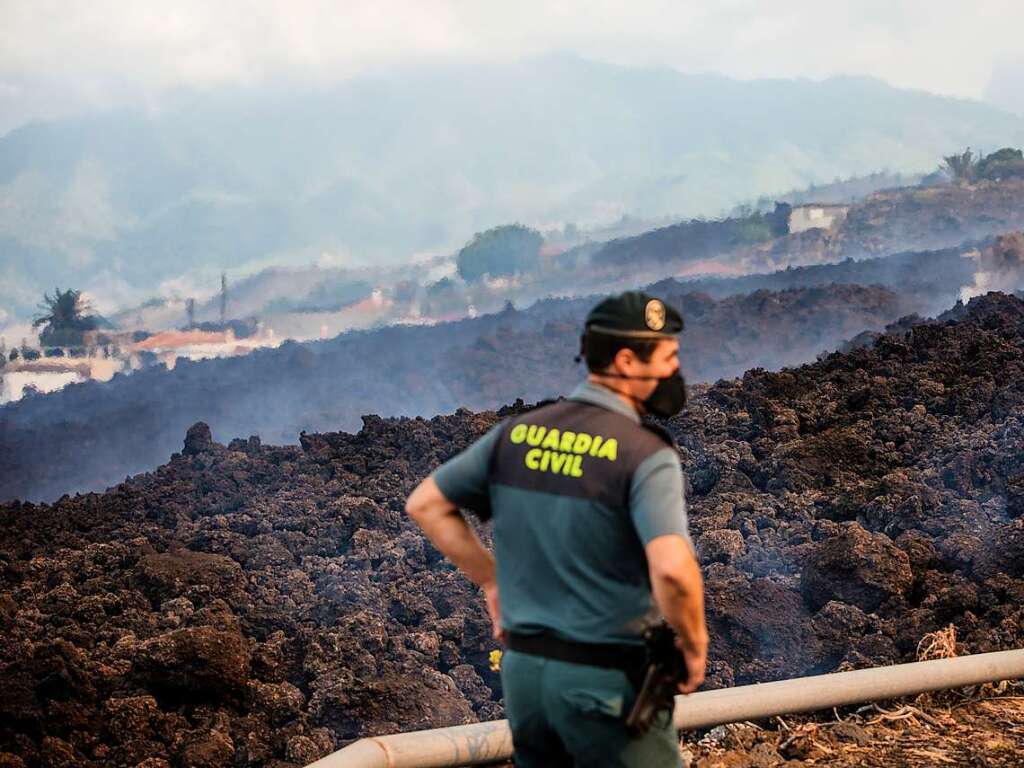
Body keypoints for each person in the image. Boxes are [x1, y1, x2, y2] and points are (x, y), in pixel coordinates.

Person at [405, 290, 707, 767]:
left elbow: (426, 504)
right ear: (627, 361)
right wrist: (693, 645)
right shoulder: (644, 454)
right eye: (668, 357)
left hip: (526, 681)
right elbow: (671, 569)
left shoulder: (515, 434)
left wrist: (491, 580)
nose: (674, 370)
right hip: (606, 685)